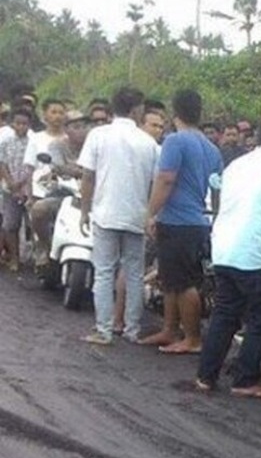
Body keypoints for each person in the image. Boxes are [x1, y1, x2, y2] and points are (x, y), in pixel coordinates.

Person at [195, 113, 261, 397]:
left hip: (225, 251)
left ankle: (205, 376)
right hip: (257, 255)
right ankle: (245, 379)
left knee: (224, 315)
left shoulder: (237, 165)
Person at [140, 90, 224, 355]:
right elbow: (217, 188)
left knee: (184, 282)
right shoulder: (212, 149)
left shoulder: (175, 142)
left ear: (174, 113)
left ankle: (192, 337)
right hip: (197, 220)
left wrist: (151, 212)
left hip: (178, 221)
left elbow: (166, 178)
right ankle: (169, 328)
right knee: (170, 278)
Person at [78, 87, 159, 345]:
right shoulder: (149, 143)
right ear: (136, 110)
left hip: (105, 212)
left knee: (103, 271)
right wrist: (150, 214)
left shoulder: (98, 135)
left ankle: (103, 329)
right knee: (134, 273)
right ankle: (132, 329)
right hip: (136, 214)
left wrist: (84, 210)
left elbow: (88, 176)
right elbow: (155, 184)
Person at [27, 109, 88, 267]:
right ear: (66, 129)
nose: (81, 130)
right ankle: (43, 245)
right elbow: (59, 166)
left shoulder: (95, 145)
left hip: (92, 195)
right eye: (76, 127)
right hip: (66, 192)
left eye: (84, 126)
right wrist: (81, 171)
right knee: (39, 209)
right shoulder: (57, 145)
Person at [0, 108, 32, 269]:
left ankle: (35, 259)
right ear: (12, 123)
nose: (21, 126)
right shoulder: (5, 142)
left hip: (29, 189)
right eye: (18, 123)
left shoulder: (34, 142)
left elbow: (33, 165)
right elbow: (2, 163)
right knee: (10, 225)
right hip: (9, 189)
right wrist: (11, 182)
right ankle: (14, 258)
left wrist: (22, 182)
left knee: (31, 224)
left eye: (24, 123)